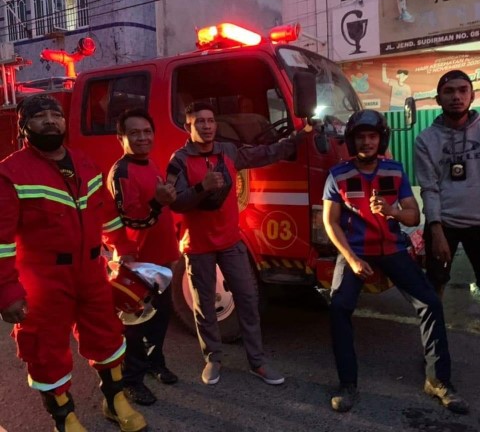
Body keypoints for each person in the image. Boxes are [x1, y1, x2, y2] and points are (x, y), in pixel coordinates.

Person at [0, 95, 147, 432]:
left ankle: (114, 400)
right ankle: (64, 418)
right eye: (40, 116)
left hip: (91, 273)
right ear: (24, 126)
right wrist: (7, 291)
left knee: (108, 336)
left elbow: (106, 214)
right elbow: (1, 241)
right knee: (45, 351)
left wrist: (123, 248)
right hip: (43, 281)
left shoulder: (85, 163)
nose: (50, 121)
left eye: (56, 115)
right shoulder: (10, 174)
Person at [322, 109, 468, 414]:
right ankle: (347, 384)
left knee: (430, 302)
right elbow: (330, 222)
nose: (366, 142)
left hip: (392, 249)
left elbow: (413, 216)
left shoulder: (394, 170)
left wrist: (392, 212)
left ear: (381, 139)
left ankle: (438, 380)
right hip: (356, 252)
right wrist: (352, 259)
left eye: (372, 136)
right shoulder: (338, 175)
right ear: (352, 140)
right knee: (339, 308)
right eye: (361, 137)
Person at [167, 101, 308, 386]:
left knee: (247, 300)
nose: (207, 126)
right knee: (204, 306)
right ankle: (213, 359)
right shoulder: (179, 160)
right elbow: (176, 202)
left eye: (210, 121)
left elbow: (264, 153)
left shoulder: (228, 151)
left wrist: (299, 137)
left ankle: (257, 362)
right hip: (198, 246)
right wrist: (202, 187)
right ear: (188, 126)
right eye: (200, 122)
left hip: (231, 242)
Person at [108, 109, 179, 406]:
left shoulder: (150, 163)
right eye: (134, 133)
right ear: (121, 138)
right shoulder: (121, 172)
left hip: (160, 261)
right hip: (136, 265)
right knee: (134, 326)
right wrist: (158, 202)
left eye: (147, 131)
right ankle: (131, 381)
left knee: (160, 318)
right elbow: (131, 219)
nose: (142, 138)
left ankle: (155, 362)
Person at [415, 70, 480, 302]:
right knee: (435, 285)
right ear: (438, 99)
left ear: (472, 96)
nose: (456, 97)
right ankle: (435, 326)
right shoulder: (426, 140)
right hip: (444, 224)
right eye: (449, 91)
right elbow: (429, 188)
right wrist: (436, 230)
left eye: (463, 90)